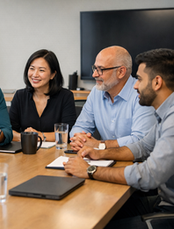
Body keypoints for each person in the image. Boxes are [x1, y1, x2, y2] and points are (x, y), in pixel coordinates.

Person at [64, 48, 174, 228]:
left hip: (169, 213)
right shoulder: (165, 113)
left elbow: (148, 175)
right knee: (87, 213)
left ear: (157, 82)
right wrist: (100, 153)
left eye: (139, 79)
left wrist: (91, 170)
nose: (135, 85)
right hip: (161, 201)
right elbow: (143, 146)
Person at [69, 45, 156, 151]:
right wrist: (79, 139)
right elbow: (80, 127)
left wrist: (100, 144)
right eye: (94, 68)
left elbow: (141, 140)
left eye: (100, 69)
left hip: (136, 163)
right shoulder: (96, 92)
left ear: (121, 72)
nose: (94, 74)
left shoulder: (141, 94)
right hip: (103, 159)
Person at [9, 49, 76, 142]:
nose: (35, 74)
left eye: (41, 70)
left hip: (55, 153)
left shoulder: (65, 96)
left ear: (53, 74)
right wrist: (26, 137)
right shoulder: (20, 96)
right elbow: (9, 131)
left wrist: (38, 136)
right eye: (32, 68)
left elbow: (68, 133)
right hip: (26, 151)